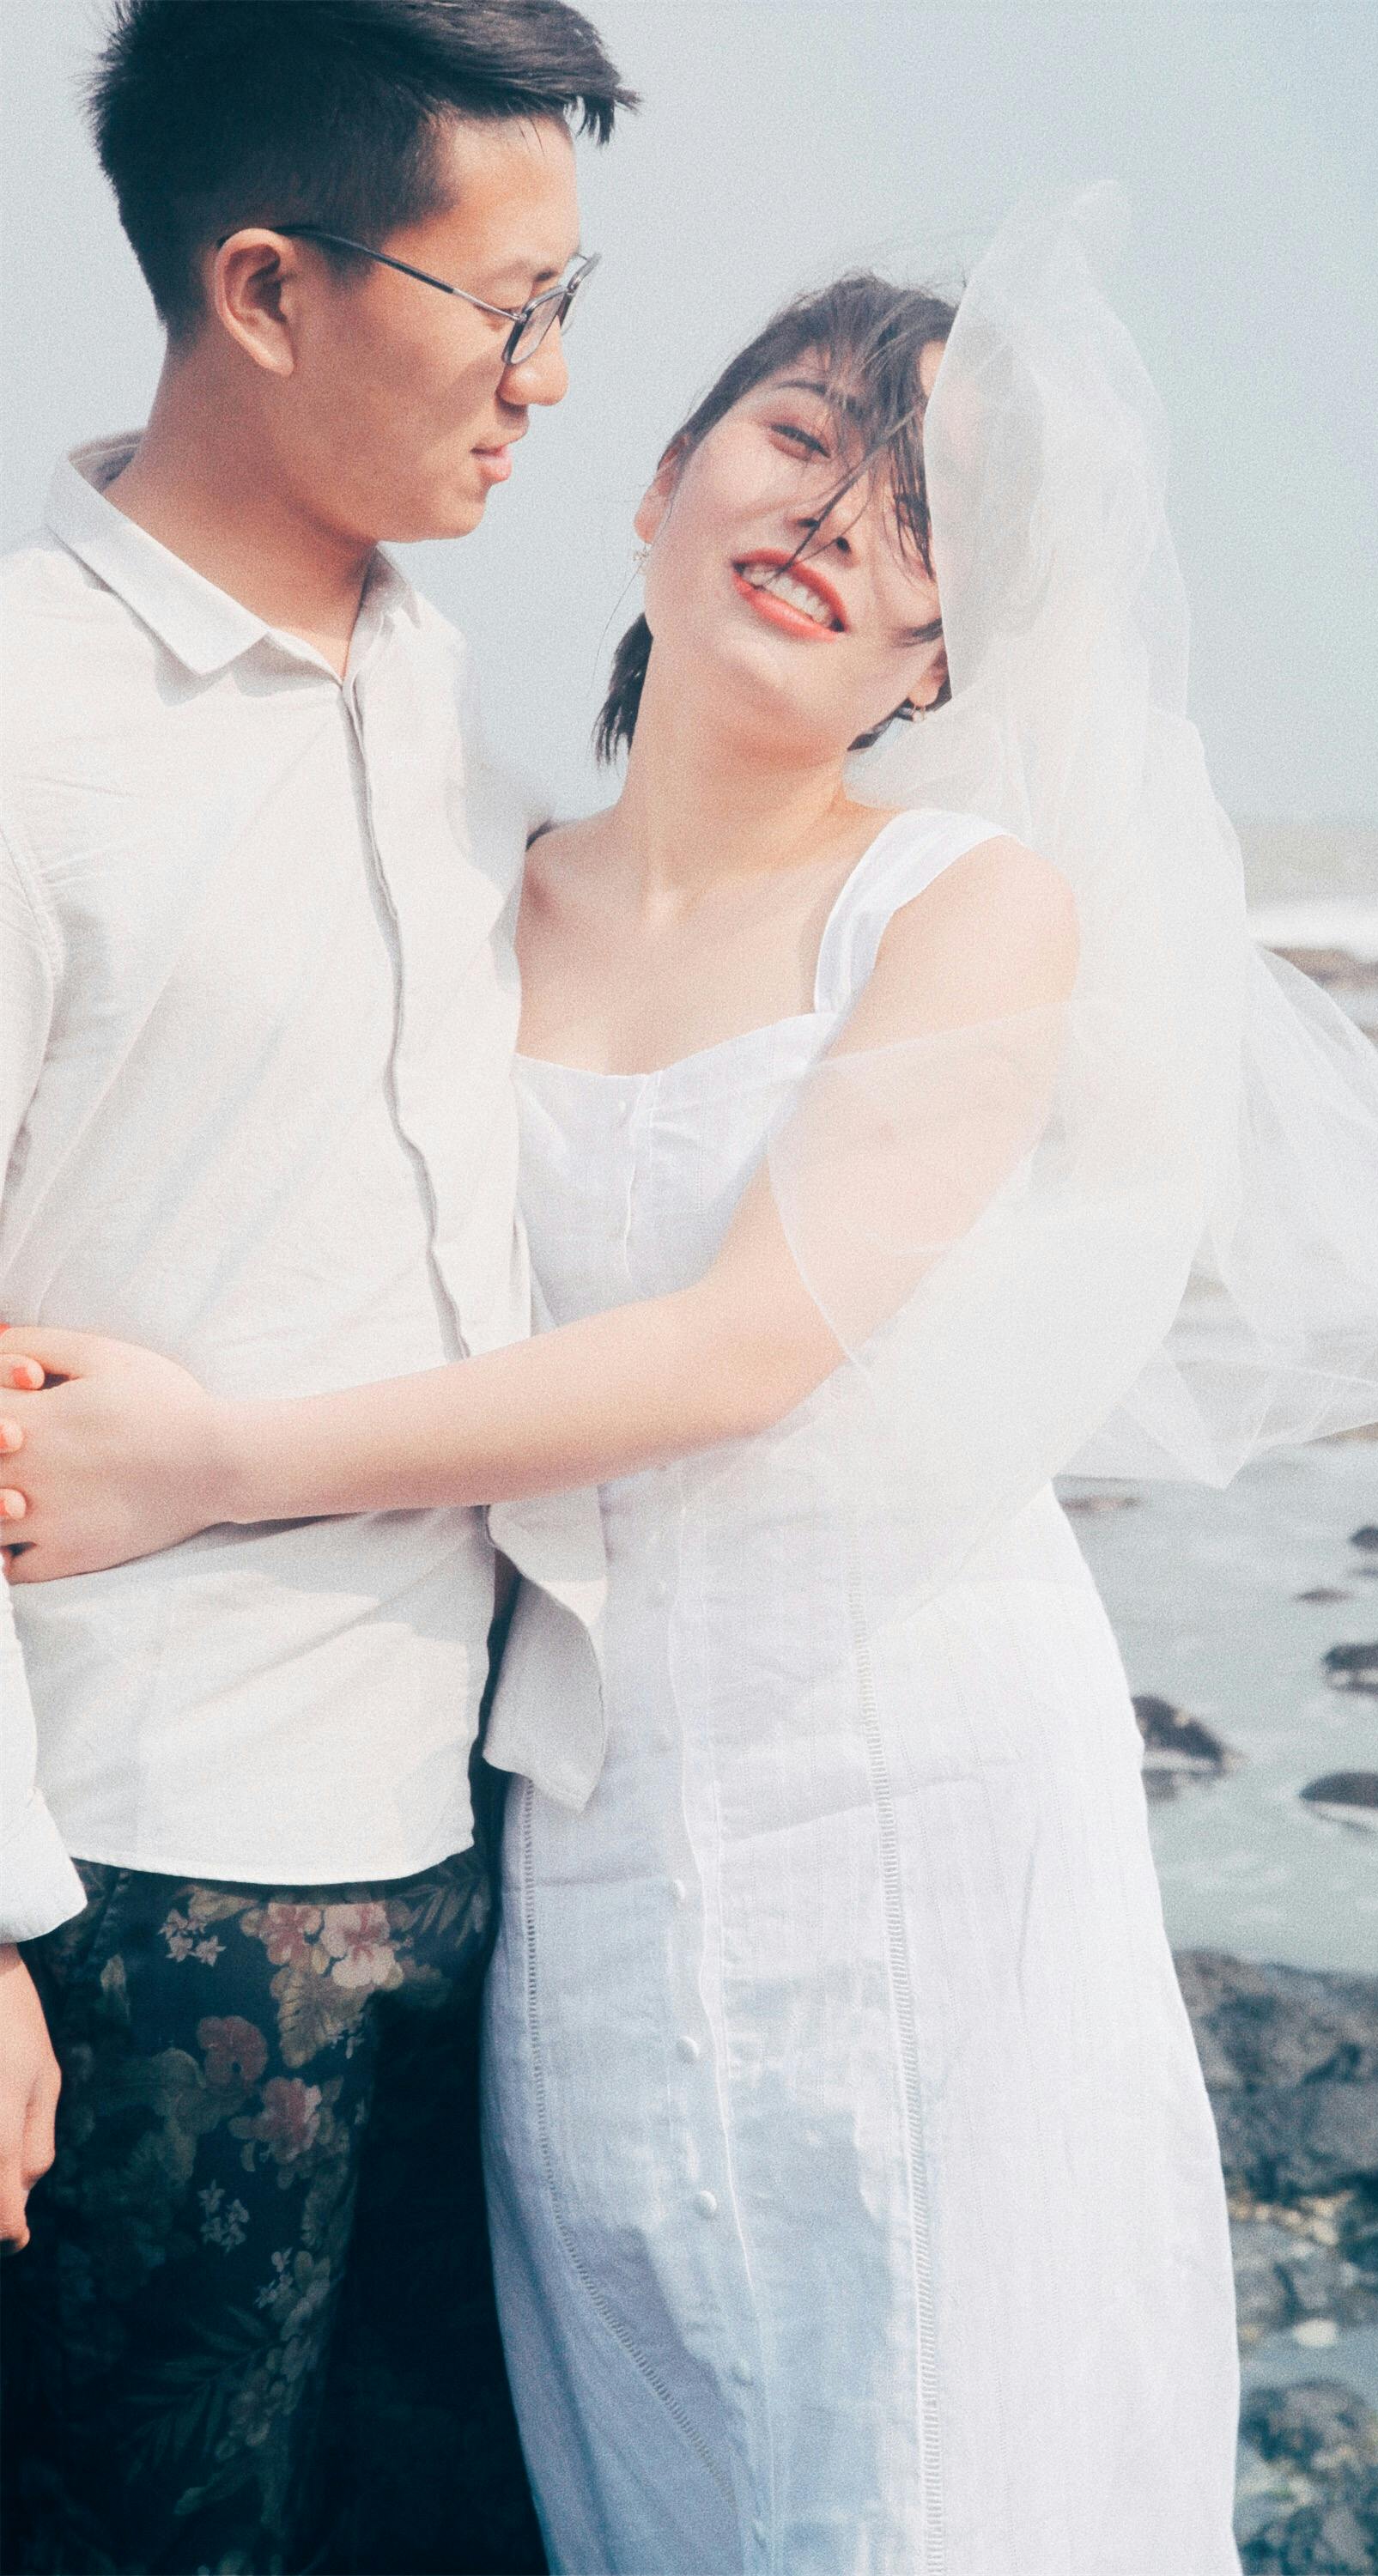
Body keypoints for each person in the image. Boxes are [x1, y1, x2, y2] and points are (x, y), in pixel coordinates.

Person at [2, 201, 1378, 2573]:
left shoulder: (959, 912)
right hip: (586, 1841)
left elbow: (740, 1351)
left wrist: (209, 1464)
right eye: (802, 437)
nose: (841, 521)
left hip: (917, 1788)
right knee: (653, 2470)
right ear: (654, 487)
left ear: (950, 647)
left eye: (919, 520)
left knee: (940, 2477)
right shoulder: (467, 894)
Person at [0, 3, 631, 2569]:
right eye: (504, 312)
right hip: (148, 1900)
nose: (552, 385)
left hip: (464, 1844)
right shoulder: (34, 719)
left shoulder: (429, 678)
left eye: (575, 302)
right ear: (263, 288)